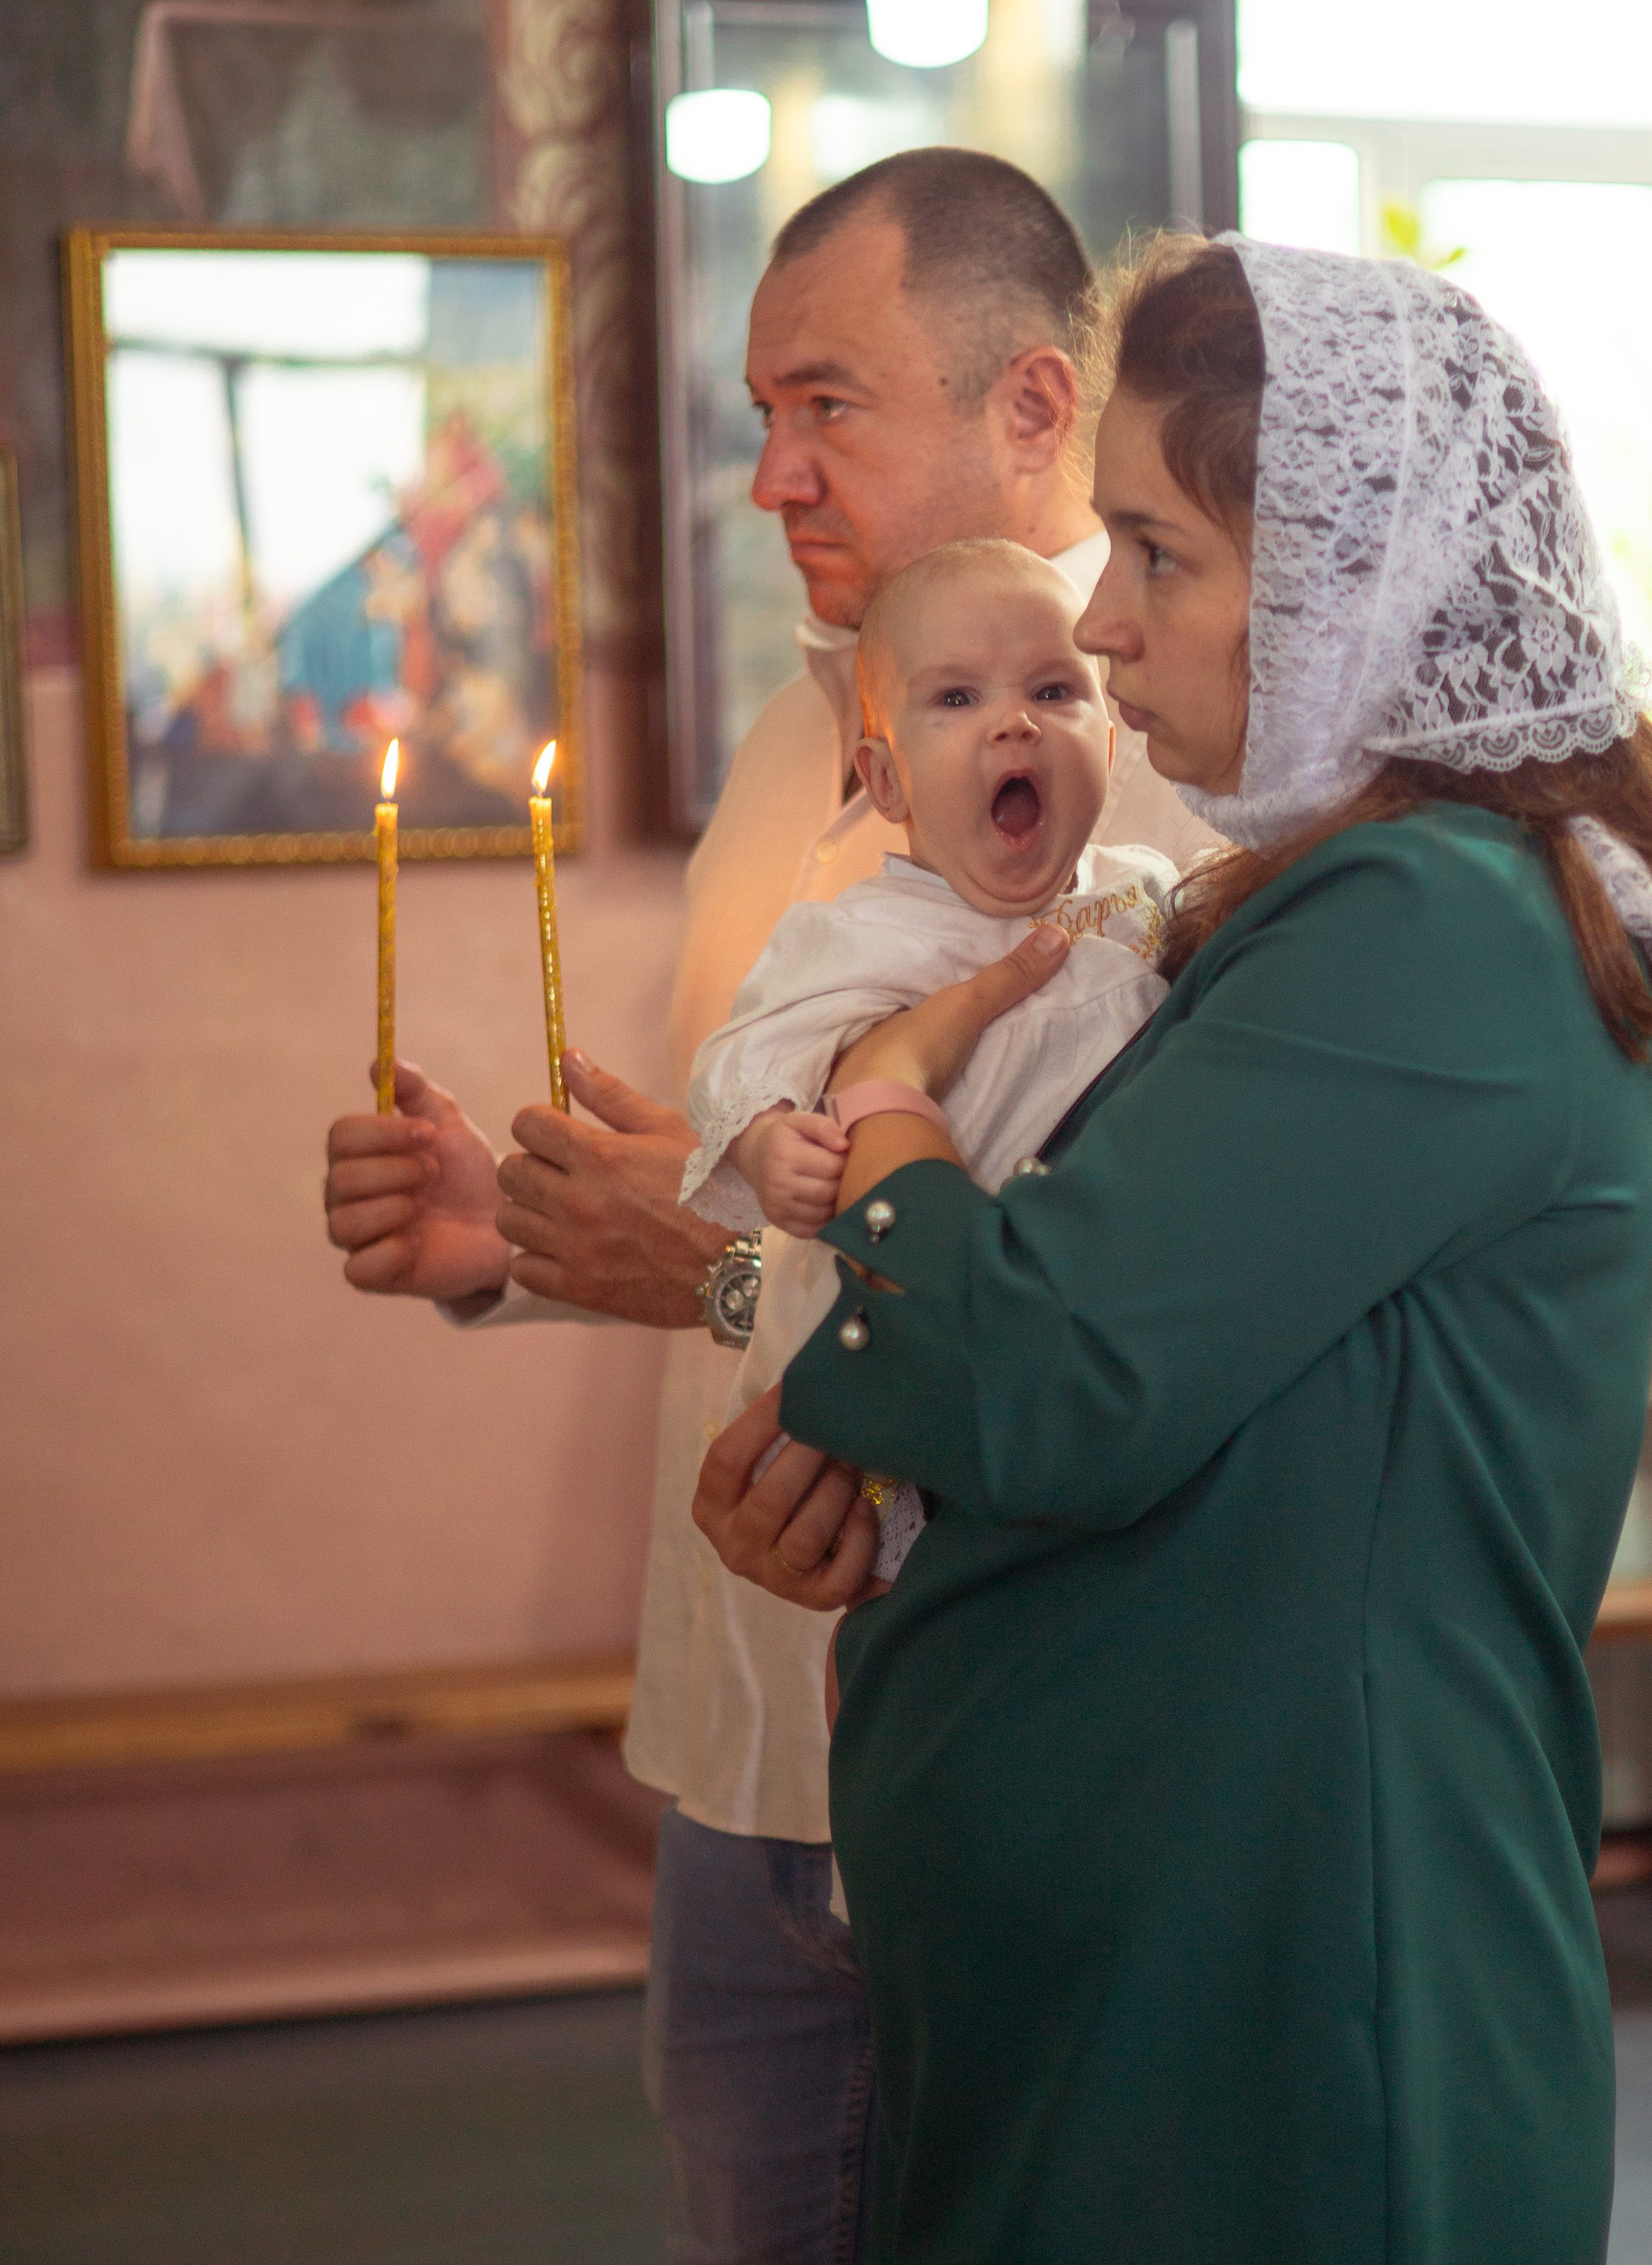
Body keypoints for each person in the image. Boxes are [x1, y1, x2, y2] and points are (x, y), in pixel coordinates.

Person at [694, 234, 1652, 2264]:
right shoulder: (1318, 903)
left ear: (1353, 584)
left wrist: (892, 1098)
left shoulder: (1435, 923)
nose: (1099, 613)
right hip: (1166, 1977)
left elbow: (1043, 1382)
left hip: (1290, 2009)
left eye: (1157, 553)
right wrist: (839, 1431)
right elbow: (1085, 1332)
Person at [320, 150, 1203, 2265]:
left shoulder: (1166, 776)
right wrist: (510, 1247)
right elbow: (749, 1192)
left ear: (1030, 409)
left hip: (1011, 1740)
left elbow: (1086, 1330)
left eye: (828, 407)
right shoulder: (789, 742)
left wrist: (711, 1270)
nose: (770, 477)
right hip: (740, 1725)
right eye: (758, 418)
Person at [682, 536, 1175, 1578]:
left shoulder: (1146, 896)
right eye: (956, 699)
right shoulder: (861, 938)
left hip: (1068, 1327)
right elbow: (740, 1056)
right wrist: (771, 1143)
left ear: (1114, 735)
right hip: (896, 1316)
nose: (1014, 720)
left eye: (1056, 688)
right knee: (883, 1586)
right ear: (885, 776)